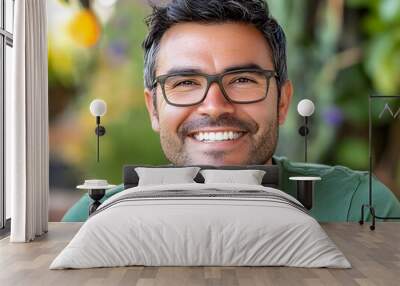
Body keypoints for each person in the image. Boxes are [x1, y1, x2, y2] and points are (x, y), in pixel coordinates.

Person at [63, 0, 400, 222]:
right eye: (185, 83)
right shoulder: (93, 216)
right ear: (153, 108)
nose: (214, 106)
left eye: (242, 79)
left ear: (282, 101)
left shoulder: (359, 206)